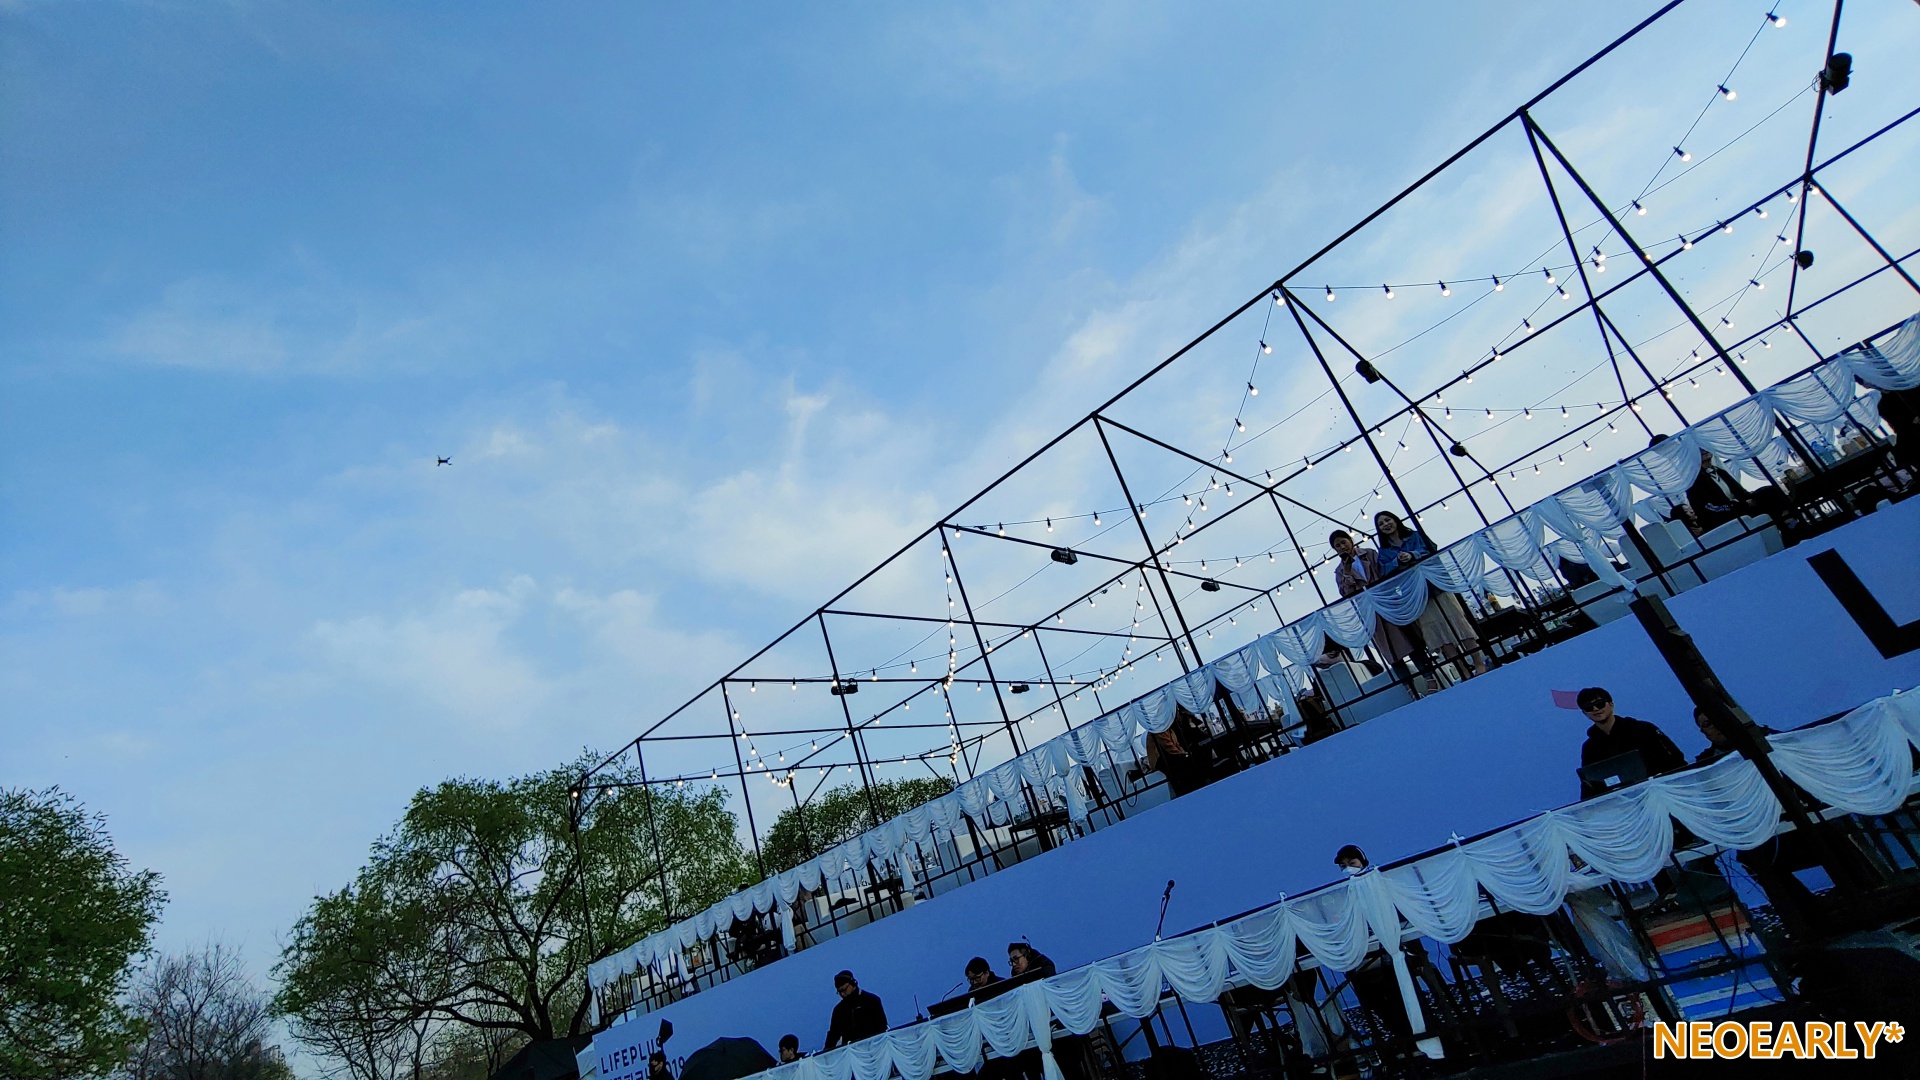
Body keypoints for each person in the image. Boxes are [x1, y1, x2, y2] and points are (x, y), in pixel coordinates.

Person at [1373, 510, 1485, 679]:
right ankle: (1463, 670)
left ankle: (1479, 663)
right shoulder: (1384, 552)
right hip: (1416, 595)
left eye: (1387, 520)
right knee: (1437, 632)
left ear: (1395, 520)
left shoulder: (1414, 536)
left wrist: (1413, 555)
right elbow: (1384, 571)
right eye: (1381, 524)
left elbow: (1431, 548)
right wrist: (1397, 561)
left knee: (1458, 622)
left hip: (1436, 585)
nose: (1385, 525)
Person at [1329, 529, 1426, 678]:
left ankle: (1428, 676)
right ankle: (1408, 685)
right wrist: (1347, 574)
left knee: (1409, 639)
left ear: (1350, 540)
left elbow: (1384, 571)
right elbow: (1346, 594)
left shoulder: (1369, 554)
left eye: (1344, 542)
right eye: (1338, 545)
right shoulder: (1340, 571)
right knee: (1390, 649)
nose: (1342, 547)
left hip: (1387, 601)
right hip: (1371, 611)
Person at [1576, 687, 1687, 798]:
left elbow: (1676, 761)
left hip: (1661, 795)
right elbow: (1589, 784)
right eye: (1589, 707)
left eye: (1600, 704)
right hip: (1622, 803)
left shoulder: (1643, 729)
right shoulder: (1590, 747)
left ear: (1611, 704)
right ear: (1584, 713)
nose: (1595, 709)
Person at [823, 970, 887, 1050]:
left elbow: (882, 1027)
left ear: (852, 983)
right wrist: (825, 1053)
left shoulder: (871, 1000)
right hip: (851, 1052)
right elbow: (833, 1035)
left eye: (844, 989)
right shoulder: (838, 1010)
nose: (842, 994)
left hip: (874, 1048)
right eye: (839, 992)